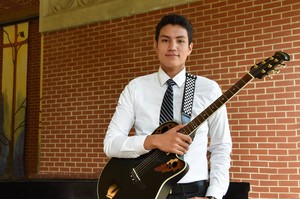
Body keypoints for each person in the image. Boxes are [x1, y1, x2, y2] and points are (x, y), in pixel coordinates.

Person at [103, 14, 232, 199]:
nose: (172, 47)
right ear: (155, 45)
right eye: (165, 40)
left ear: (190, 48)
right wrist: (155, 141)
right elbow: (111, 144)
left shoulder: (209, 89)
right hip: (143, 190)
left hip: (193, 192)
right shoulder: (136, 88)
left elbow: (221, 146)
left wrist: (214, 195)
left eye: (180, 41)